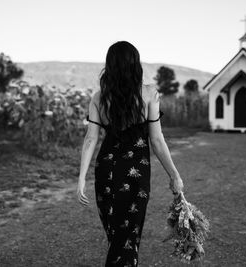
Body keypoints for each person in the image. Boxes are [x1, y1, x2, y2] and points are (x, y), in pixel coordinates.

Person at [77, 40, 184, 267]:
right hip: (136, 172)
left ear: (110, 66)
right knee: (126, 238)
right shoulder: (148, 95)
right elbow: (156, 139)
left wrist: (81, 177)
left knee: (116, 236)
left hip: (106, 171)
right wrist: (174, 174)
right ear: (135, 64)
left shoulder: (98, 98)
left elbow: (91, 138)